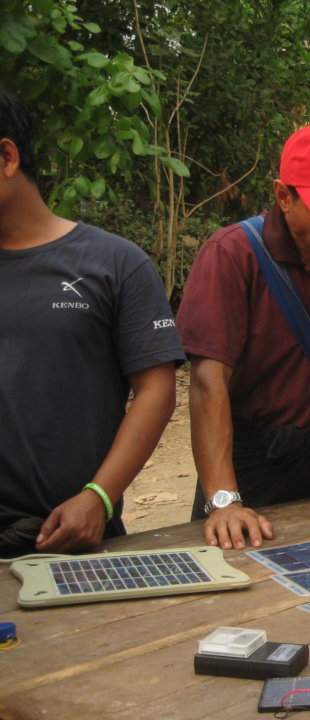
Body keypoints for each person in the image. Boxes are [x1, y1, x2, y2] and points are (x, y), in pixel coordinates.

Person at [176, 119, 310, 550]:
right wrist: (223, 500)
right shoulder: (232, 256)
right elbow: (208, 384)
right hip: (251, 467)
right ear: (283, 196)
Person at [0, 88, 182, 556]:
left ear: (6, 157)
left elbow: (156, 390)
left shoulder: (114, 264)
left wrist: (98, 497)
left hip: (67, 540)